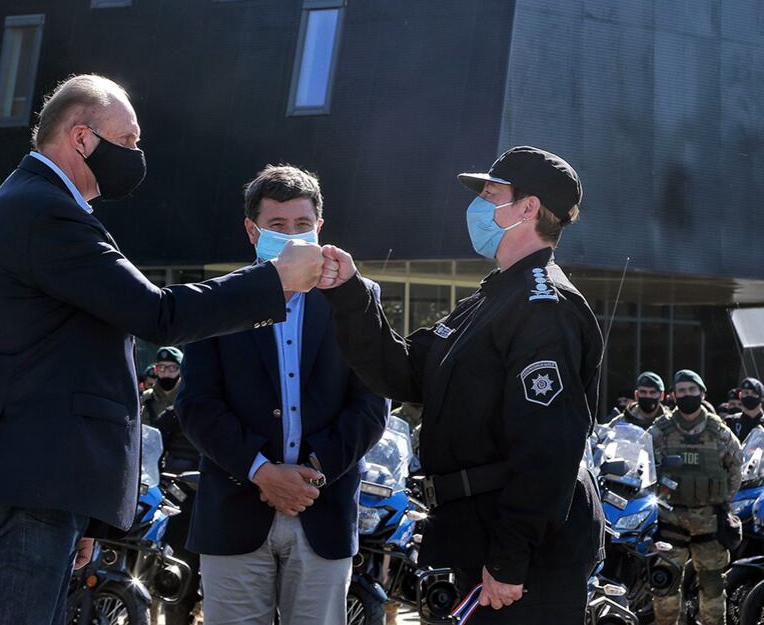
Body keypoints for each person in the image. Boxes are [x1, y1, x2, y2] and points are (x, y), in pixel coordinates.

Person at [0, 74, 325, 625]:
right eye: (127, 141)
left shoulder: (41, 204)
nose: (137, 156)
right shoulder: (45, 211)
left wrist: (83, 514)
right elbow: (156, 313)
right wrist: (274, 279)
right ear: (80, 138)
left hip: (42, 487)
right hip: (27, 486)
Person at [316, 146, 605, 623]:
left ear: (527, 208)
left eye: (491, 194)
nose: (478, 206)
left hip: (524, 553)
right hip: (481, 531)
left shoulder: (543, 307)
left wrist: (511, 555)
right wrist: (351, 294)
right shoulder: (493, 297)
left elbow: (549, 446)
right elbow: (405, 371)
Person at [177, 164, 387, 625]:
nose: (293, 237)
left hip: (323, 511)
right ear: (253, 231)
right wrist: (262, 472)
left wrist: (313, 473)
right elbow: (196, 405)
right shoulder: (218, 299)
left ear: (321, 228)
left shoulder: (356, 297)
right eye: (277, 226)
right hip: (233, 511)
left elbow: (373, 404)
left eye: (303, 225)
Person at [648, 369, 741, 625]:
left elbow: (736, 467)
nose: (687, 395)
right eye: (681, 391)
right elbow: (646, 467)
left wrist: (723, 500)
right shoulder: (660, 432)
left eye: (692, 390)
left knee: (712, 587)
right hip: (671, 522)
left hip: (708, 522)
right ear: (673, 395)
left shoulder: (719, 431)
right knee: (665, 585)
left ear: (702, 393)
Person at [140, 345, 201, 625]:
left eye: (172, 368)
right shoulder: (178, 411)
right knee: (177, 564)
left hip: (218, 495)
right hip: (177, 493)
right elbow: (150, 443)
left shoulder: (228, 408)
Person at [140, 347, 183, 425]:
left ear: (181, 369)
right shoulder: (145, 399)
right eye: (161, 367)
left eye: (172, 368)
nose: (166, 373)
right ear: (156, 370)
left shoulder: (188, 398)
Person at [725, 377, 764, 443]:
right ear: (740, 395)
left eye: (754, 393)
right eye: (746, 393)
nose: (749, 396)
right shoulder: (730, 422)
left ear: (762, 397)